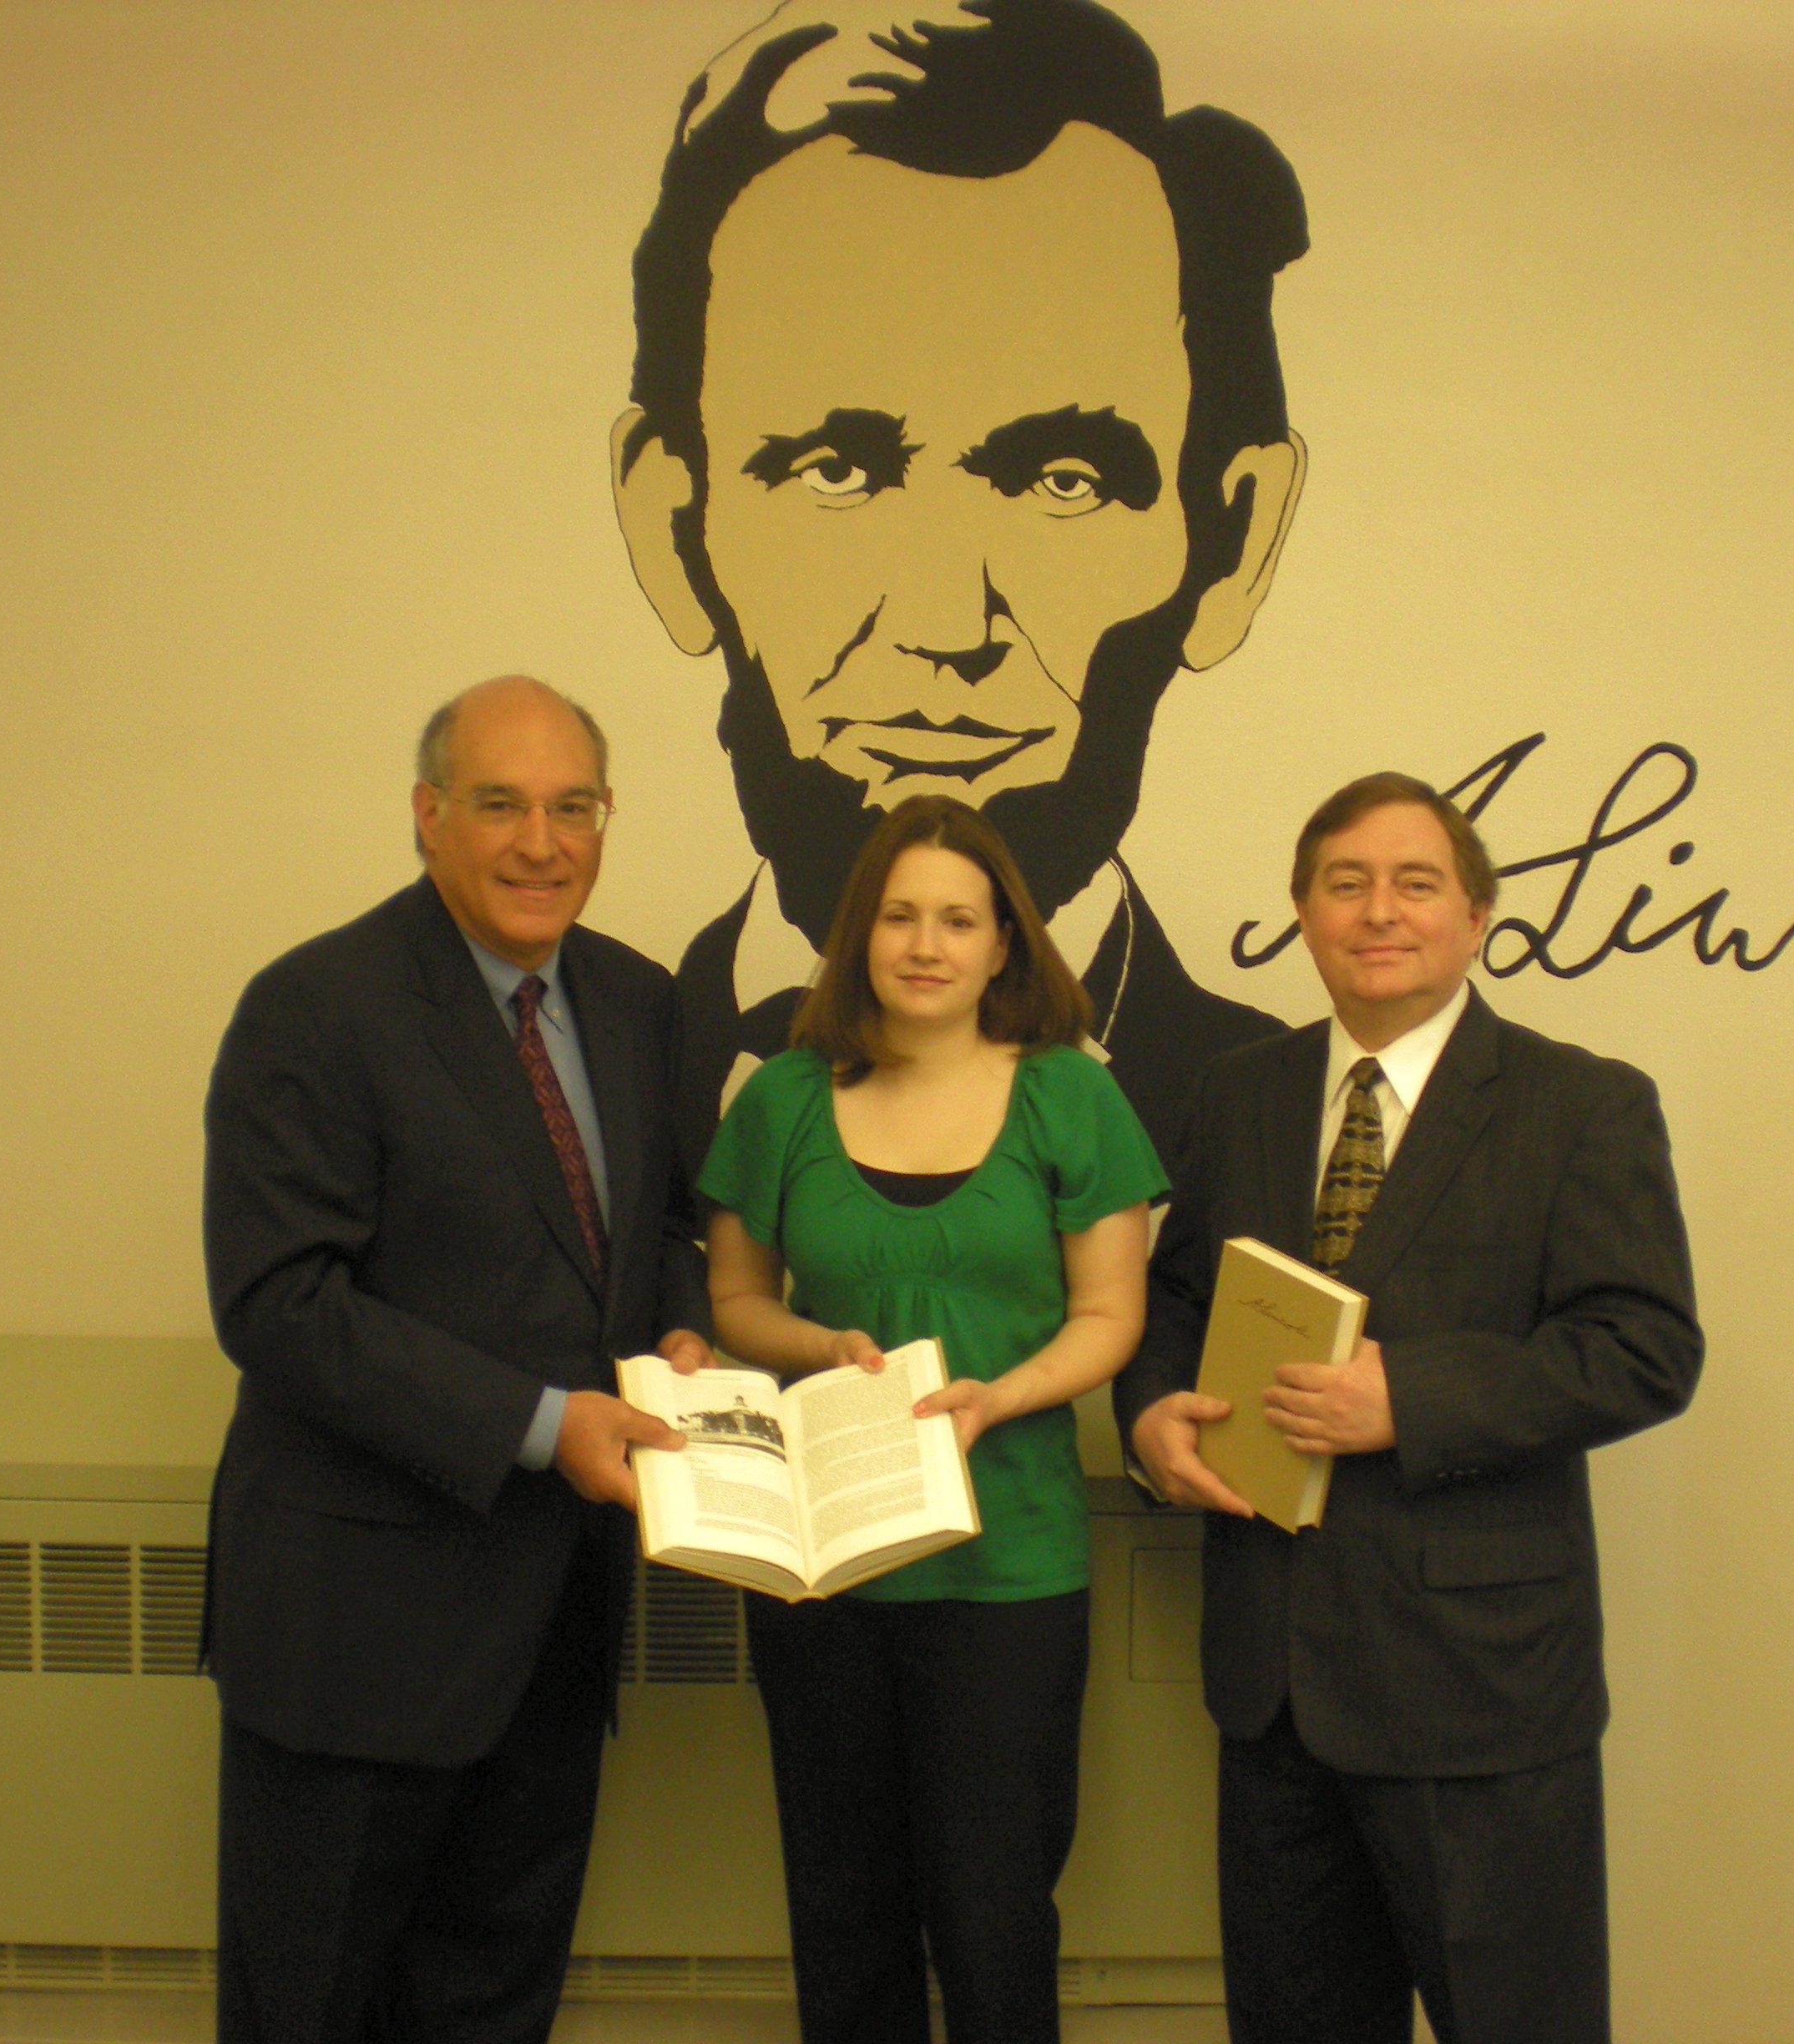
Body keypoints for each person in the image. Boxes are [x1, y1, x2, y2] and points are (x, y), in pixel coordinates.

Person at [610, 0, 1310, 1160]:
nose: (946, 627)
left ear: (1232, 545)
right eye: (836, 472)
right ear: (671, 529)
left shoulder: (1276, 1111)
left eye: (1066, 482)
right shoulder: (590, 1071)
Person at [1117, 773, 1704, 2044]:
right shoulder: (1237, 1090)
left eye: (1415, 883)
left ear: (1477, 916)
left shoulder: (1583, 1102)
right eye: (1347, 884)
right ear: (1304, 914)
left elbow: (1646, 1347)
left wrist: (1416, 1398)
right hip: (1272, 1682)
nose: (1379, 912)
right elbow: (1175, 1295)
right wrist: (1152, 1414)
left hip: (1479, 1690)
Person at [200, 675, 711, 2044]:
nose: (542, 843)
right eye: (500, 805)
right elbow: (279, 1302)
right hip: (358, 1632)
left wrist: (678, 1330)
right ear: (427, 816)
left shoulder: (639, 1000)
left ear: (606, 818)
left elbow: (662, 1223)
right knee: (311, 2006)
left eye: (572, 807)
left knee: (496, 2000)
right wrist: (546, 1422)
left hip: (553, 1625)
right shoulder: (315, 1007)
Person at [695, 792, 1166, 2044]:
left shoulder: (1073, 1097)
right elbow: (736, 1299)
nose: (925, 944)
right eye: (899, 916)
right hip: (823, 1565)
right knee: (843, 1911)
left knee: (994, 1917)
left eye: (959, 919)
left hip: (1010, 1570)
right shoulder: (781, 1098)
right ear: (858, 934)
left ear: (1005, 942)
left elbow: (1109, 1313)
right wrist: (823, 1347)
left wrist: (1001, 1396)